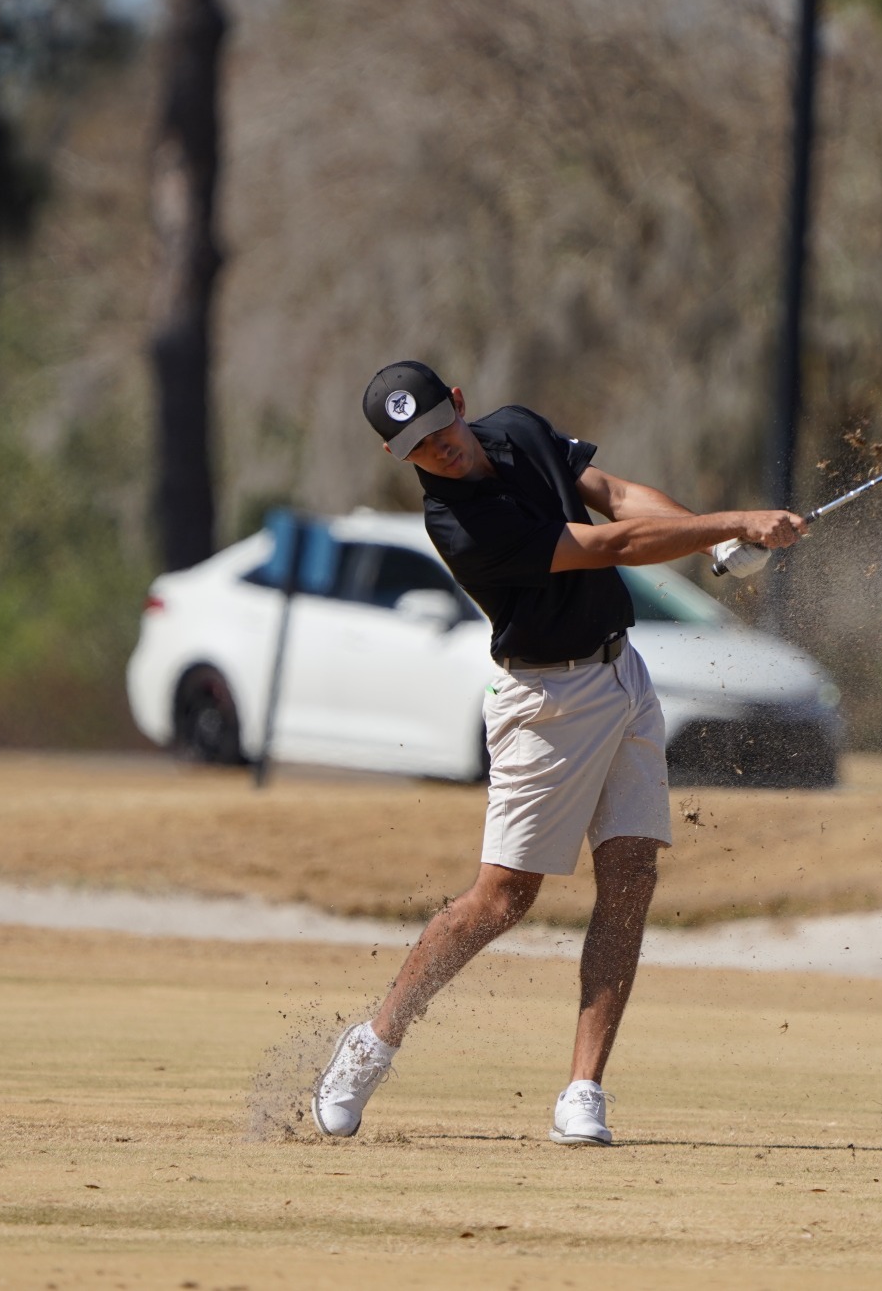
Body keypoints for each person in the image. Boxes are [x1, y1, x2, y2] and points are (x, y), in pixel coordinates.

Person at [312, 361, 805, 1146]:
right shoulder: (459, 524)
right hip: (546, 704)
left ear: (461, 405)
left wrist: (710, 532)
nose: (436, 450)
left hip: (625, 677)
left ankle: (583, 1089)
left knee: (631, 877)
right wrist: (730, 525)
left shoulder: (518, 430)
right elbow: (609, 542)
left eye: (441, 429)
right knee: (504, 898)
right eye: (416, 447)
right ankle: (373, 1043)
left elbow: (613, 494)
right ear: (396, 457)